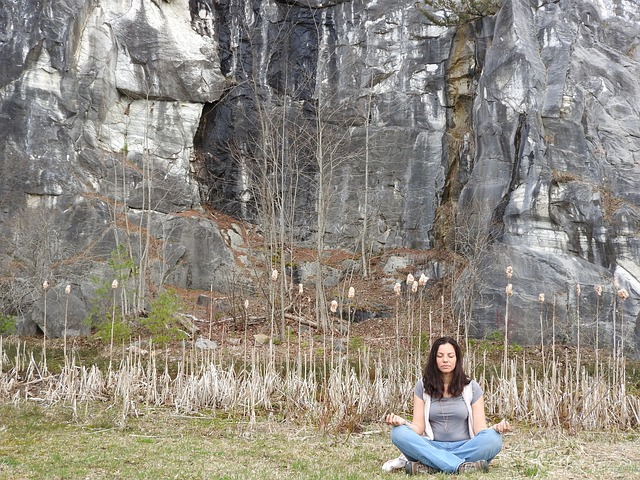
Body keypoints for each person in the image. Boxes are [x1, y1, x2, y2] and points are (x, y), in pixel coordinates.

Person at [384, 336, 511, 474]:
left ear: (457, 359)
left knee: (494, 438)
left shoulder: (471, 387)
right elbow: (418, 428)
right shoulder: (422, 386)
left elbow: (480, 429)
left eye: (450, 356)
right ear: (434, 359)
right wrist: (403, 423)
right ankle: (459, 466)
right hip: (431, 446)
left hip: (465, 446)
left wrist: (495, 428)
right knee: (398, 433)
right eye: (440, 356)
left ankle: (431, 466)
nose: (445, 360)